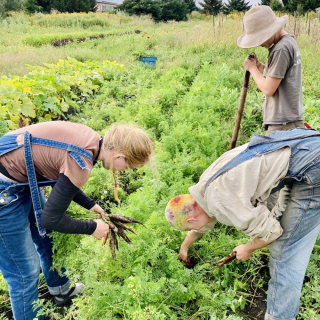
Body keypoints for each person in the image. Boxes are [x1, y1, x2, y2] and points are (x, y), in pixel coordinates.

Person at [0, 121, 153, 320]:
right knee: (24, 272)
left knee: (48, 242)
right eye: (129, 166)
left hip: (21, 178)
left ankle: (61, 290)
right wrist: (92, 228)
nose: (126, 170)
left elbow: (61, 176)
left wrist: (90, 204)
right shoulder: (82, 162)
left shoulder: (92, 139)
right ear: (119, 156)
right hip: (4, 189)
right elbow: (50, 219)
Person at [165, 128, 320, 320]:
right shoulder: (205, 184)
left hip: (311, 168)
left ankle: (280, 317)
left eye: (190, 228)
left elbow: (271, 234)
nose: (195, 230)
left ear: (191, 219)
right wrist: (184, 247)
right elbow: (202, 223)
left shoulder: (220, 202)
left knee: (284, 252)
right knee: (280, 220)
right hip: (302, 145)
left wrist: (248, 247)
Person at [237, 6, 304, 136]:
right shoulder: (288, 42)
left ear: (271, 30)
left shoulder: (281, 49)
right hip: (288, 120)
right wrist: (259, 66)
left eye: (260, 38)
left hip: (283, 125)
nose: (259, 43)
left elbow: (268, 89)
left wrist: (252, 69)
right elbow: (277, 75)